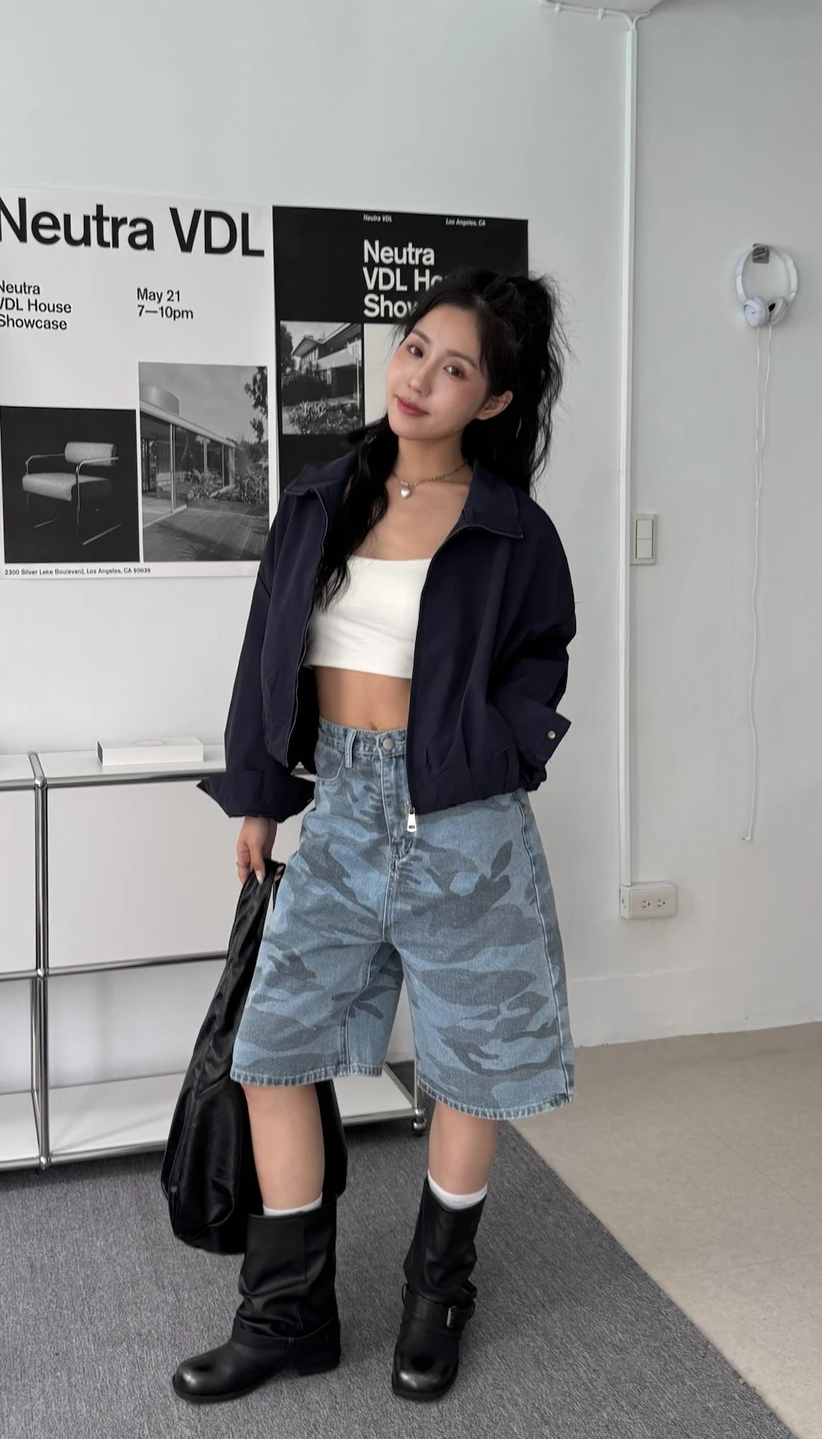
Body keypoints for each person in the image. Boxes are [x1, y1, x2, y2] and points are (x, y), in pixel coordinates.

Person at [176, 267, 577, 1406]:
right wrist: (261, 796)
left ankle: (437, 1298)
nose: (420, 378)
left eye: (456, 368)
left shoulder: (512, 530)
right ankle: (286, 1314)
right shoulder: (320, 500)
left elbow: (542, 658)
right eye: (414, 349)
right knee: (271, 1052)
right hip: (344, 816)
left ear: (493, 401)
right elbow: (264, 655)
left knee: (469, 1071)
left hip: (466, 827)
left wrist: (497, 751)